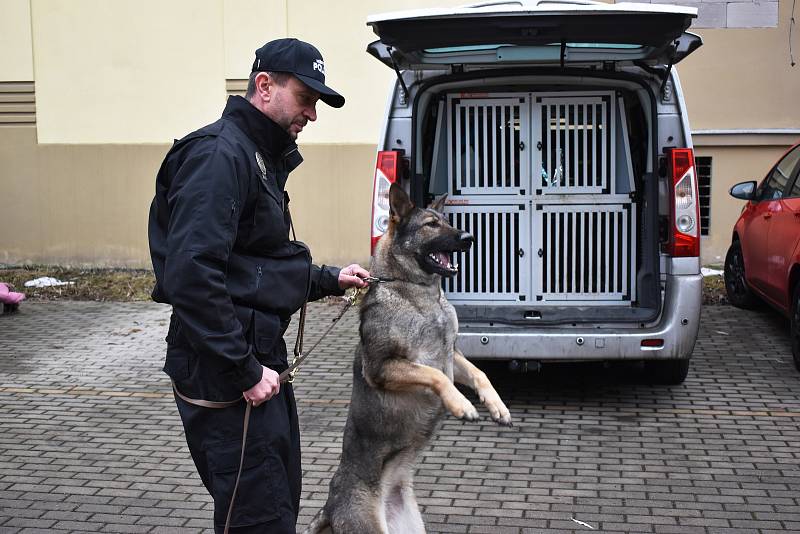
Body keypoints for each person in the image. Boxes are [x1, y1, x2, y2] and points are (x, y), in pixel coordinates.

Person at [148, 38, 369, 533]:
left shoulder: (255, 156)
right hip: (229, 376)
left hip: (254, 364)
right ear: (264, 86)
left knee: (274, 502)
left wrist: (329, 279)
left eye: (317, 103)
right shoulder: (219, 157)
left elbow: (251, 266)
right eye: (306, 98)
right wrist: (245, 370)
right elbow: (192, 275)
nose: (312, 114)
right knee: (258, 517)